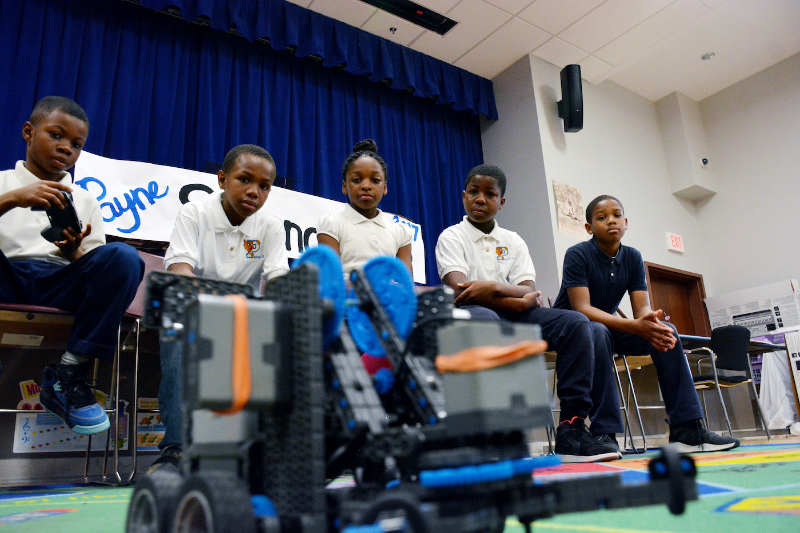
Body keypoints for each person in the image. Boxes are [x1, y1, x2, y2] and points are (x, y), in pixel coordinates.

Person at [435, 164, 621, 462]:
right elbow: (463, 291)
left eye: (489, 194)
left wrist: (492, 288)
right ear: (463, 196)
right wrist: (514, 298)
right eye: (473, 192)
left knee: (577, 323)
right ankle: (495, 435)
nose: (480, 199)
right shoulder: (452, 237)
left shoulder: (514, 241)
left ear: (501, 202)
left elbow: (529, 291)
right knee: (489, 321)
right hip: (471, 315)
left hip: (518, 315)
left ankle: (571, 429)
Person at [0, 96, 144, 435]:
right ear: (28, 132)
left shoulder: (85, 199)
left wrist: (75, 253)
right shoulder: (3, 182)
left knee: (123, 257)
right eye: (56, 135)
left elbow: (101, 276)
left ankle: (70, 374)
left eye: (76, 144)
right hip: (7, 274)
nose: (66, 148)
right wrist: (12, 199)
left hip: (59, 280)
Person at [553, 194, 740, 452]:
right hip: (575, 331)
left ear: (626, 222)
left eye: (617, 215)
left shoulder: (632, 257)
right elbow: (582, 309)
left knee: (667, 331)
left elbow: (641, 308)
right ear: (589, 227)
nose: (611, 221)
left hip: (608, 328)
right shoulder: (578, 254)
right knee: (596, 331)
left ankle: (686, 428)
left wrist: (650, 321)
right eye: (602, 217)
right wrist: (635, 325)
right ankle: (605, 433)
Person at [150, 144, 289, 474]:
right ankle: (176, 448)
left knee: (282, 335)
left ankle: (259, 451)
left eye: (264, 186)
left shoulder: (270, 226)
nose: (254, 191)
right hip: (192, 311)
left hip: (242, 317)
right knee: (178, 335)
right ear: (222, 179)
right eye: (244, 179)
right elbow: (180, 272)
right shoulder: (194, 213)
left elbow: (279, 282)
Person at [317, 139, 413, 277]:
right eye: (356, 180)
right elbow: (331, 280)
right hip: (348, 297)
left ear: (385, 187)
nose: (366, 186)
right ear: (345, 187)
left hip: (390, 297)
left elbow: (406, 284)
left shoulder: (401, 232)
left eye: (375, 180)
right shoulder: (332, 223)